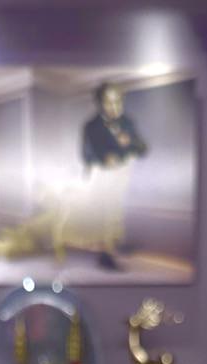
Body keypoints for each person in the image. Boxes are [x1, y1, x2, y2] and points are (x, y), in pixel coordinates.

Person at [79, 83, 148, 270]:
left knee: (117, 214)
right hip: (101, 176)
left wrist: (130, 142)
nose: (114, 106)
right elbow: (86, 155)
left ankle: (113, 246)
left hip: (123, 176)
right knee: (106, 214)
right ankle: (106, 255)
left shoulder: (128, 122)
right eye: (109, 102)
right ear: (100, 103)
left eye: (117, 101)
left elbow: (143, 148)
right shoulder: (91, 126)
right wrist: (103, 159)